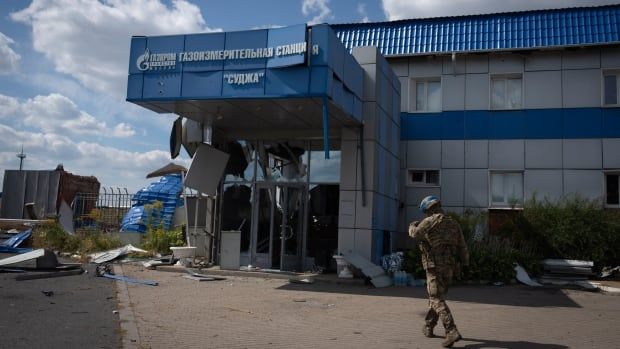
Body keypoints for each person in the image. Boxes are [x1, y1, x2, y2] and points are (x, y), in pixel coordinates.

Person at [408, 195, 469, 348]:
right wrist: (465, 265)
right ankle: (428, 326)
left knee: (435, 298)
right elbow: (463, 247)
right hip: (450, 267)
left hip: (434, 266)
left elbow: (415, 234)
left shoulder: (429, 221)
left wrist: (412, 226)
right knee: (436, 297)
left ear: (428, 209)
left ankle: (451, 330)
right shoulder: (454, 223)